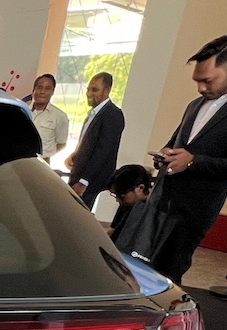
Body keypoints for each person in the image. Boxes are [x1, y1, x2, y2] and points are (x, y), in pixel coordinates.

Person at [148, 34, 227, 284]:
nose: (201, 88)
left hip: (195, 209)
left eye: (207, 80)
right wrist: (166, 155)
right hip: (162, 201)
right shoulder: (196, 104)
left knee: (167, 276)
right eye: (197, 81)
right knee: (143, 267)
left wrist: (193, 161)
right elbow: (177, 143)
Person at [65, 72, 125, 211]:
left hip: (89, 181)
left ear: (107, 91)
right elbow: (89, 144)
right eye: (88, 89)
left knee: (77, 215)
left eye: (95, 90)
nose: (89, 93)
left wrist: (84, 181)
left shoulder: (113, 114)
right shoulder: (94, 113)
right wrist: (76, 155)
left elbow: (103, 150)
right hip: (79, 174)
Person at [106, 164, 152, 241]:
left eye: (121, 195)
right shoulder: (128, 204)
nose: (117, 200)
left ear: (140, 188)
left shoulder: (152, 212)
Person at [29, 73, 69, 161]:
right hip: (19, 160)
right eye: (39, 87)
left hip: (43, 161)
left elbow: (61, 143)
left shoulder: (60, 116)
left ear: (53, 91)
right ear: (33, 90)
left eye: (47, 88)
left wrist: (46, 155)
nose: (42, 92)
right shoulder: (23, 111)